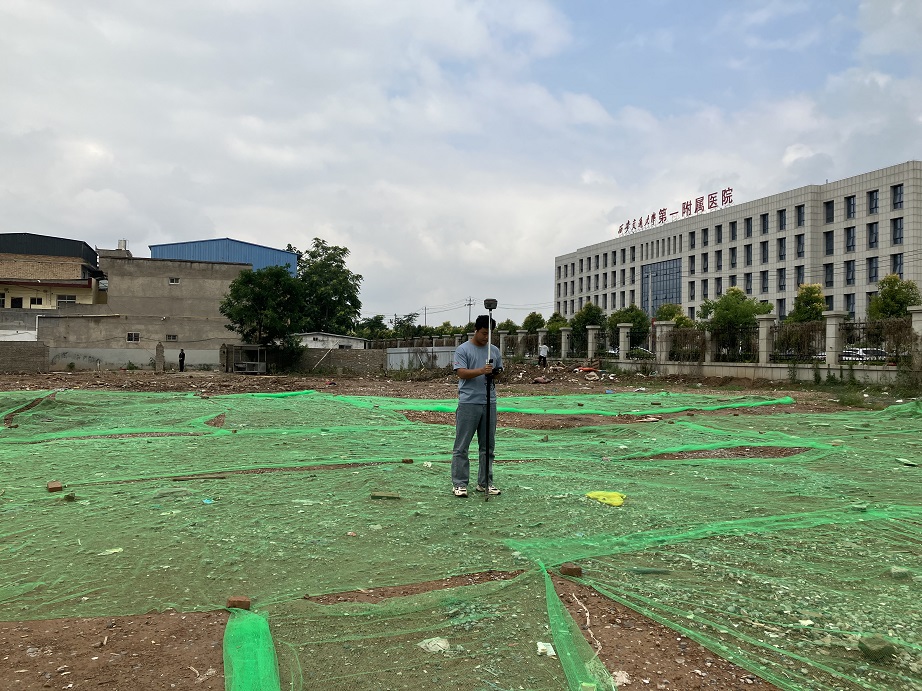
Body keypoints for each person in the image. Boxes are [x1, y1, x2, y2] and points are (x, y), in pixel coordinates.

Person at [451, 315, 503, 498]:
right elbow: (461, 373)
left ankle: (485, 482)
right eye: (483, 333)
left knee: (488, 446)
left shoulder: (493, 351)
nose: (486, 337)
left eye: (489, 334)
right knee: (462, 445)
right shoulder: (463, 350)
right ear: (476, 330)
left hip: (489, 402)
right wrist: (482, 370)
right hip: (469, 402)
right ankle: (459, 483)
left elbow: (499, 372)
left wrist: (494, 373)